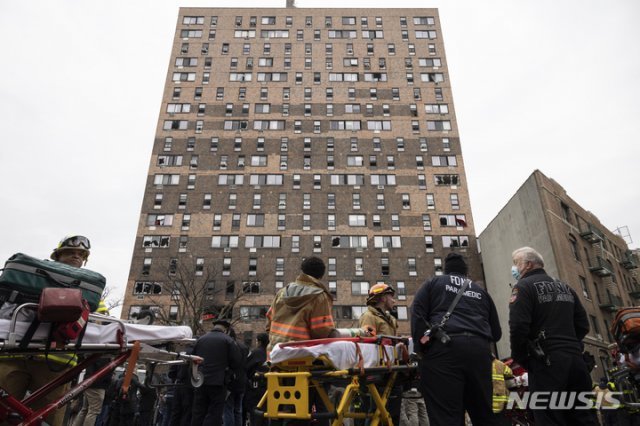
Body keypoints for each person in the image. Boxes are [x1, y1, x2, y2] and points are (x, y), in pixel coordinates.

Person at [0, 235, 92, 426]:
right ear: (57, 255)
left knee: (49, 420)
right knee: (3, 414)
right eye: (70, 252)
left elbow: (99, 319)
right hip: (13, 357)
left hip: (55, 364)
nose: (77, 257)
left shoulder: (89, 290)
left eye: (81, 255)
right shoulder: (31, 277)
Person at [411, 252, 502, 426]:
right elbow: (496, 333)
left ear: (446, 270)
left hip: (444, 351)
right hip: (480, 353)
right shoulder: (481, 292)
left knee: (446, 415)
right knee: (485, 413)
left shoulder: (432, 283)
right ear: (466, 272)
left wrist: (421, 348)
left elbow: (417, 316)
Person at [509, 246, 598, 425]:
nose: (514, 268)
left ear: (528, 265)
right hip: (576, 362)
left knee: (549, 416)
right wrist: (571, 344)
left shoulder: (523, 287)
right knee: (583, 416)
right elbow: (583, 325)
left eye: (516, 263)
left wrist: (522, 358)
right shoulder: (566, 288)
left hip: (547, 364)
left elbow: (518, 326)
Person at [265, 256, 337, 352]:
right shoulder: (320, 297)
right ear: (321, 276)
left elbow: (268, 323)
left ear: (302, 270)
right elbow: (322, 332)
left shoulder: (282, 292)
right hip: (301, 357)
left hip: (275, 353)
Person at [358, 283, 401, 425]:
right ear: (382, 297)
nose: (393, 300)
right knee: (374, 412)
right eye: (390, 296)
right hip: (376, 373)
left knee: (391, 413)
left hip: (390, 370)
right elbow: (366, 345)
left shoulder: (390, 319)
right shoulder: (369, 317)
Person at [191, 319, 242, 426]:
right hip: (218, 382)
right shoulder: (228, 341)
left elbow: (193, 358)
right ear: (226, 330)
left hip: (200, 381)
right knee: (214, 412)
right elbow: (236, 362)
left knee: (198, 412)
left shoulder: (201, 340)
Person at [224, 327, 249, 426]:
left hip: (231, 383)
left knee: (228, 409)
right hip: (242, 382)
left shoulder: (229, 346)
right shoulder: (244, 347)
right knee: (238, 410)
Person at [243, 333, 268, 426]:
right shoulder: (269, 352)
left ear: (260, 342)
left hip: (256, 386)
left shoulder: (256, 352)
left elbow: (247, 367)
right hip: (269, 386)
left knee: (256, 410)